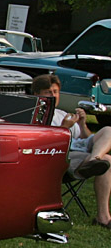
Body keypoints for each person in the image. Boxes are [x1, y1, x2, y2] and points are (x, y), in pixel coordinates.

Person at [32, 73, 111, 228]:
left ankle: (93, 160)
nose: (53, 95)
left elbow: (84, 139)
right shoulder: (34, 115)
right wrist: (64, 128)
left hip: (78, 150)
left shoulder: (62, 113)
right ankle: (103, 217)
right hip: (58, 157)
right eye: (48, 92)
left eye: (55, 92)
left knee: (109, 130)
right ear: (37, 94)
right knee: (107, 160)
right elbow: (42, 146)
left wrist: (81, 125)